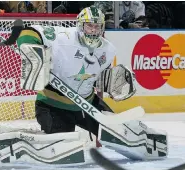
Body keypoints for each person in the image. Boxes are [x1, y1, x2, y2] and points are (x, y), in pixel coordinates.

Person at [16, 6, 167, 160]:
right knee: (65, 149)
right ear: (80, 26)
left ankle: (144, 142)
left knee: (119, 132)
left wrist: (111, 83)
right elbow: (28, 32)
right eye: (89, 26)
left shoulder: (108, 50)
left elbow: (99, 80)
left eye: (97, 26)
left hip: (87, 105)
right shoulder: (62, 37)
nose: (93, 30)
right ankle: (23, 146)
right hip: (53, 106)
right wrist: (31, 51)